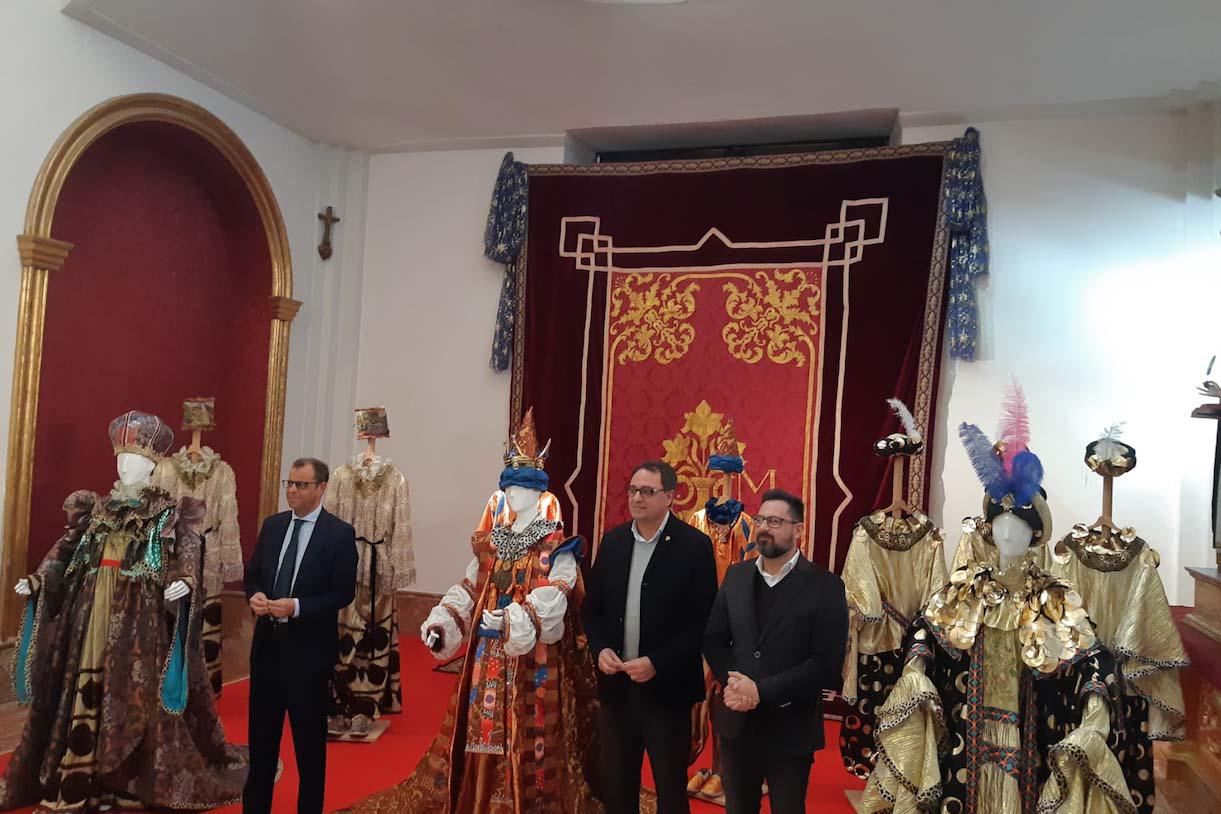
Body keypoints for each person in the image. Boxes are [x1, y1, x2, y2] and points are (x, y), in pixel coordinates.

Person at [583, 460, 718, 814]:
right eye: (632, 490)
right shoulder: (613, 542)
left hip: (666, 691)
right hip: (617, 689)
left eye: (647, 491)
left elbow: (701, 622)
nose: (637, 498)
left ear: (670, 497)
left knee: (670, 789)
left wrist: (658, 662)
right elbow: (592, 611)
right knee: (617, 785)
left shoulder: (694, 547)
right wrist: (601, 650)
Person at [702, 489, 849, 814]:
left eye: (775, 521)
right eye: (760, 520)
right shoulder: (737, 576)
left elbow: (826, 664)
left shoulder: (825, 586)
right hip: (736, 725)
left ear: (798, 529)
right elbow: (713, 638)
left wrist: (760, 691)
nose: (764, 527)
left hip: (791, 728)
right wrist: (733, 684)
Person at [243, 458, 357, 814]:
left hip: (309, 656)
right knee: (261, 748)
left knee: (309, 752)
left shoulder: (338, 534)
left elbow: (343, 593)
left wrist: (297, 607)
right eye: (289, 483)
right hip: (266, 653)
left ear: (321, 488)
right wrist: (255, 595)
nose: (292, 490)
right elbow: (254, 575)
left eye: (300, 485)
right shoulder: (273, 526)